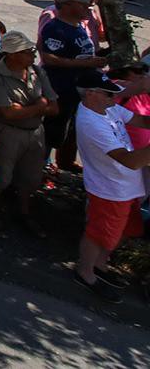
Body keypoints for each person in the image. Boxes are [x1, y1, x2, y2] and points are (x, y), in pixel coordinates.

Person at [71, 69, 150, 302]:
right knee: (98, 234)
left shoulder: (106, 107)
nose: (112, 97)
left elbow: (142, 120)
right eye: (108, 94)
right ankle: (85, 273)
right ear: (91, 94)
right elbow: (131, 161)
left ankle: (99, 266)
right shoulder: (91, 123)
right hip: (110, 190)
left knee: (123, 231)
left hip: (125, 187)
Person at [0, 31, 57, 238]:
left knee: (31, 177)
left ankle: (24, 213)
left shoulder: (37, 72)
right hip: (8, 133)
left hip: (35, 132)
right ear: (13, 54)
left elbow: (54, 106)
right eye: (28, 51)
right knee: (2, 176)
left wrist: (25, 110)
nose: (33, 55)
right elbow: (6, 113)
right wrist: (39, 105)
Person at [38, 0, 108, 173]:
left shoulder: (78, 27)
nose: (88, 7)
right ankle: (38, 170)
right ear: (68, 6)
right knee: (52, 131)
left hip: (78, 92)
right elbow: (49, 58)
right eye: (82, 4)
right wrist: (86, 64)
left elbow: (81, 54)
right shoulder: (56, 28)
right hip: (60, 89)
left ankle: (61, 165)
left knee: (68, 131)